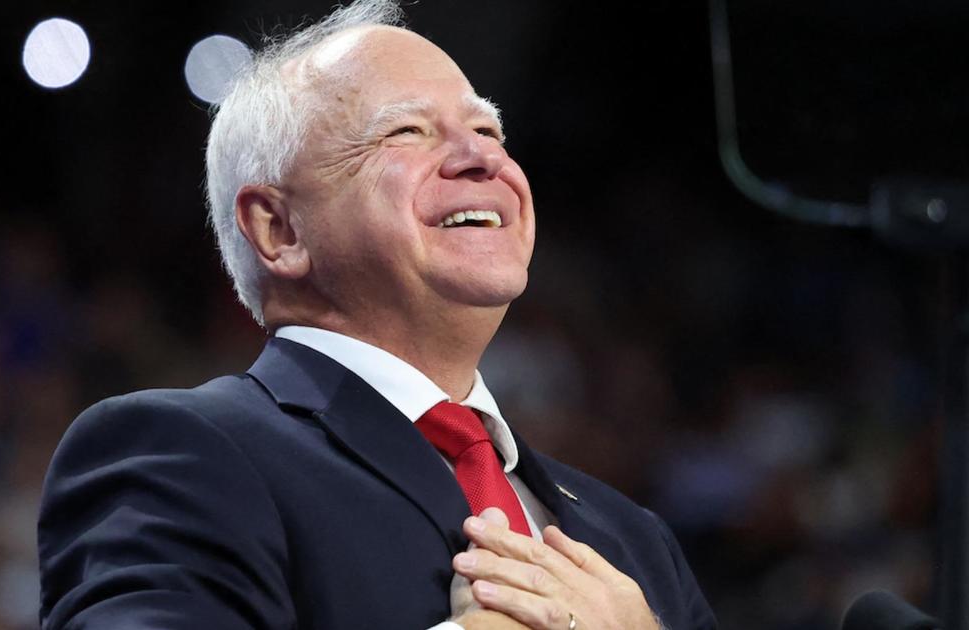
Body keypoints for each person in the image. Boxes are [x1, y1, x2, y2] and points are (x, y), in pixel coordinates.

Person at [38, 1, 718, 628]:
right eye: (407, 132)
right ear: (280, 230)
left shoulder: (635, 542)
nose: (481, 156)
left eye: (488, 128)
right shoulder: (178, 454)